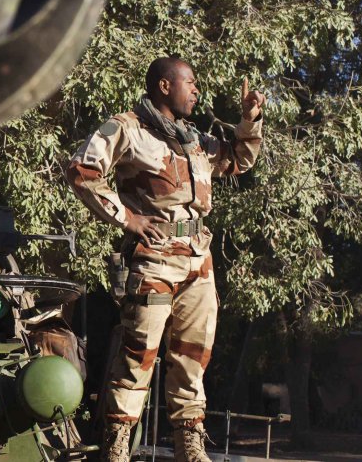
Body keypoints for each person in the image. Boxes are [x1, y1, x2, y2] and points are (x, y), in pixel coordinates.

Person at [66, 58, 264, 462]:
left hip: (198, 261)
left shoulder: (195, 140)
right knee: (139, 353)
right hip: (154, 259)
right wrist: (128, 218)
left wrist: (250, 120)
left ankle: (190, 444)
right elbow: (83, 172)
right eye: (189, 82)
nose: (196, 90)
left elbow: (239, 160)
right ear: (163, 85)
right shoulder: (127, 128)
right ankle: (117, 443)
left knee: (193, 356)